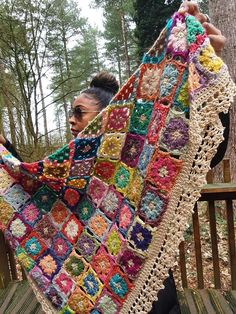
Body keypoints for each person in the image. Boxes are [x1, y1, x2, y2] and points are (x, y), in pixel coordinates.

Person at [0, 2, 228, 313]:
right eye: (70, 113)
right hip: (90, 293)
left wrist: (207, 60)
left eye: (80, 113)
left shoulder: (138, 162)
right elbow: (32, 189)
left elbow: (202, 147)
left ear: (105, 120)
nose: (71, 120)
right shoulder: (69, 174)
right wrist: (6, 153)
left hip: (154, 301)